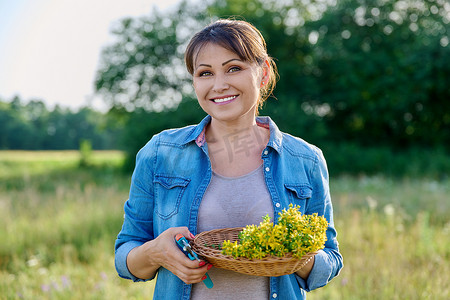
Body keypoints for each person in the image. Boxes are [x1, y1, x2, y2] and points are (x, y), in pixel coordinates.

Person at [114, 19, 343, 300]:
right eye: (205, 73)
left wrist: (293, 255)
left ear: (263, 73)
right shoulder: (160, 153)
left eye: (234, 68)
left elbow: (330, 260)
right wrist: (156, 252)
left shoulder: (305, 160)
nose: (219, 85)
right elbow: (125, 256)